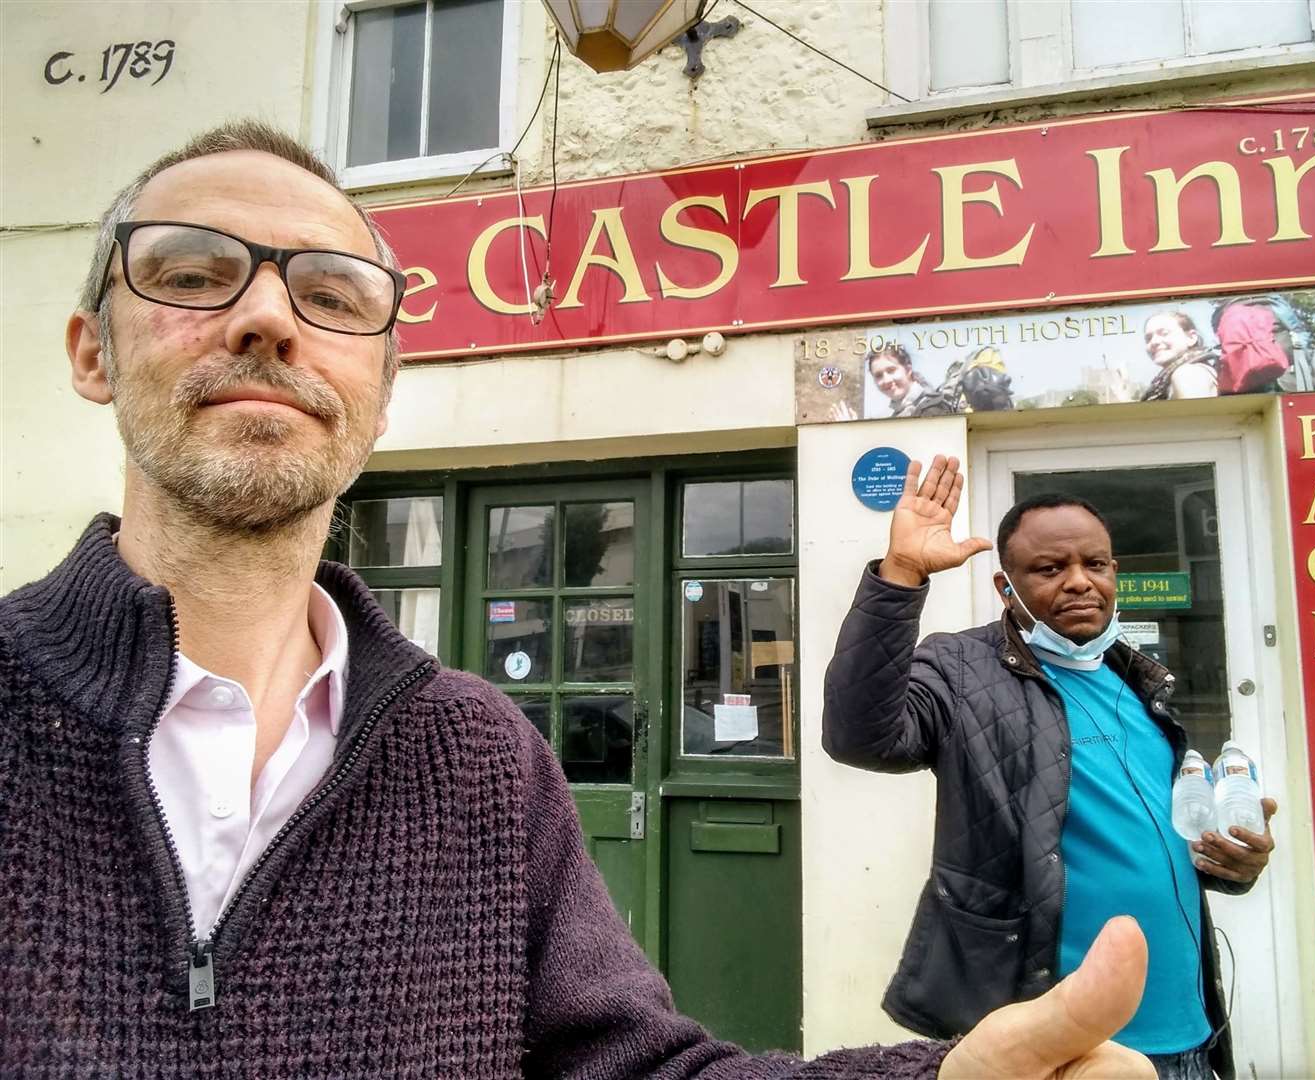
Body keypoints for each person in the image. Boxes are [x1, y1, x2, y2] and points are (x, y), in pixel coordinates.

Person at [0, 121, 1160, 1079]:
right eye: (193, 274)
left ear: (383, 388)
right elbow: (864, 726)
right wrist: (898, 577)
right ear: (92, 353)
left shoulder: (477, 755)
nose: (270, 318)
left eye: (334, 295)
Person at [822, 456, 1279, 1080]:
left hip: (1189, 1030)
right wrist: (900, 575)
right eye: (1049, 568)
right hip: (1059, 1045)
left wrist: (1232, 861)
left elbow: (1158, 837)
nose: (1079, 582)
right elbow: (859, 736)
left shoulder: (1137, 678)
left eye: (1094, 564)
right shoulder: (960, 669)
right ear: (1006, 589)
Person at [1138, 312, 1219, 401]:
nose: (1154, 342)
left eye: (1164, 333)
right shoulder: (1185, 373)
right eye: (1148, 338)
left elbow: (1196, 414)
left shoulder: (1188, 373)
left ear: (1191, 338)